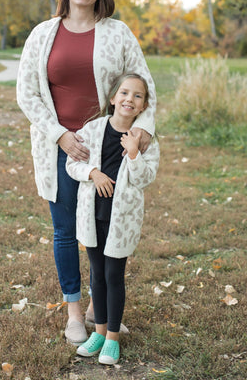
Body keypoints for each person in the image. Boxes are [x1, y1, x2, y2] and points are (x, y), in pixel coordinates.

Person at [16, 0, 156, 346]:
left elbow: (145, 85)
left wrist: (142, 130)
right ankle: (75, 312)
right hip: (59, 147)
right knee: (65, 231)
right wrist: (60, 135)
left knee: (104, 227)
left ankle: (101, 310)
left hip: (107, 149)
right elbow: (26, 94)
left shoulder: (118, 33)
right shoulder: (43, 34)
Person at [66, 73, 160, 364]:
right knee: (97, 275)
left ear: (144, 106)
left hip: (122, 220)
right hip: (92, 215)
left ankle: (113, 338)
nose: (129, 99)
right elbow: (73, 164)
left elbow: (145, 178)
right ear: (112, 98)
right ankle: (99, 332)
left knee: (113, 276)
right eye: (124, 93)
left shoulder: (144, 140)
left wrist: (133, 154)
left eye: (137, 96)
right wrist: (93, 173)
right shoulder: (93, 129)